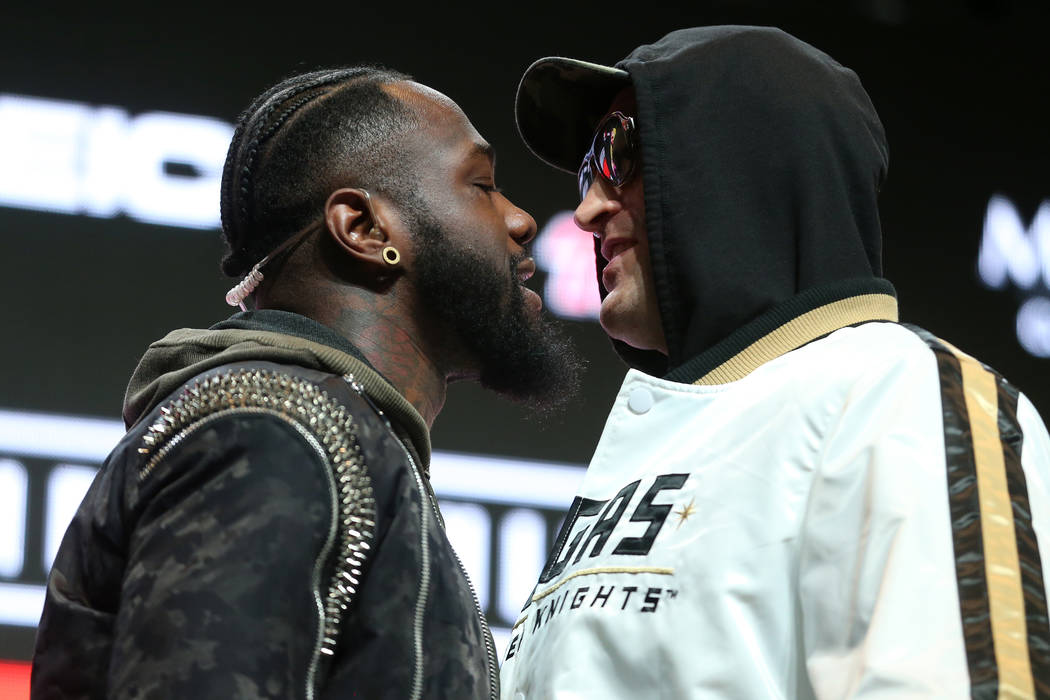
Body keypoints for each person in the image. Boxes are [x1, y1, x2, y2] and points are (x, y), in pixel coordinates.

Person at [500, 25, 1050, 698]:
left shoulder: (895, 390)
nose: (585, 209)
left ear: (741, 159)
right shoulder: (662, 443)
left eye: (619, 153)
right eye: (589, 170)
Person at [30, 64, 582, 699]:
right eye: (481, 185)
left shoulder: (327, 439)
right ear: (366, 231)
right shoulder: (275, 433)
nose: (520, 220)